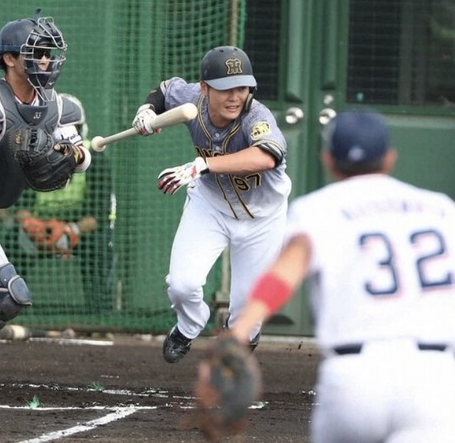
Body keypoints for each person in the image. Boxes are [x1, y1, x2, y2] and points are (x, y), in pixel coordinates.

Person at [227, 109, 455, 442]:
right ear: (389, 159)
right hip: (431, 377)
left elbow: (283, 276)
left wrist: (240, 331)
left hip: (354, 380)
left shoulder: (318, 209)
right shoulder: (441, 209)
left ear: (328, 159)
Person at [0, 11, 91, 379]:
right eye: (36, 52)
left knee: (8, 297)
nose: (46, 60)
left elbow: (81, 155)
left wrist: (74, 154)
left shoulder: (56, 108)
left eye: (49, 52)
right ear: (10, 59)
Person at [131, 46, 292, 363]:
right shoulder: (192, 98)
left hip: (264, 217)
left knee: (247, 310)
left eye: (242, 88)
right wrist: (147, 110)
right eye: (225, 88)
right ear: (205, 88)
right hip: (211, 205)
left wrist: (204, 165)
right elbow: (164, 91)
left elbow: (267, 156)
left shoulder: (256, 116)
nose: (235, 96)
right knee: (182, 285)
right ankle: (189, 326)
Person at [0, 94, 116, 314]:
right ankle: (10, 311)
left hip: (79, 233)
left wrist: (71, 230)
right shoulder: (32, 154)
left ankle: (100, 317)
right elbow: (22, 209)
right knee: (13, 243)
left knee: (100, 247)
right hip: (38, 231)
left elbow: (99, 216)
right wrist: (34, 227)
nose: (64, 136)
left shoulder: (95, 159)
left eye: (71, 129)